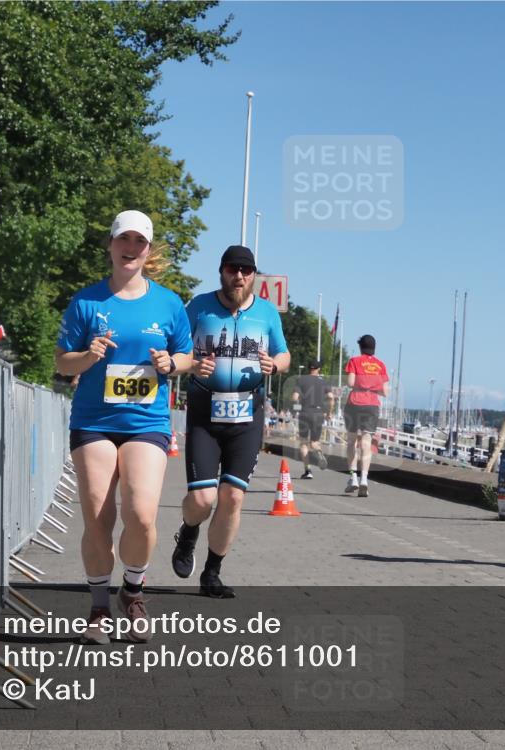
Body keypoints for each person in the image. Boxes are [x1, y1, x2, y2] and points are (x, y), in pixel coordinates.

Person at [55, 210, 193, 643]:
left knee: (141, 513)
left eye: (139, 242)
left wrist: (172, 363)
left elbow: (186, 357)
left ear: (148, 250)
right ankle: (98, 607)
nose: (130, 248)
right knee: (97, 514)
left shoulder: (168, 303)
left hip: (146, 420)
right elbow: (61, 362)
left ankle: (132, 592)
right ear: (111, 246)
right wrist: (88, 356)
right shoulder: (87, 302)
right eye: (123, 240)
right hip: (94, 420)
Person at [171, 245, 290, 597]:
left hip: (247, 414)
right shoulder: (199, 306)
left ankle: (212, 572)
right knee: (203, 499)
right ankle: (188, 533)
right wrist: (192, 364)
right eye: (231, 269)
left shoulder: (267, 313)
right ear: (221, 271)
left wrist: (276, 365)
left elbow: (283, 353)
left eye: (246, 270)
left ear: (254, 275)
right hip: (205, 413)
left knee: (233, 497)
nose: (238, 276)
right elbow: (178, 349)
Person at [343, 334, 389, 498]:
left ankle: (353, 477)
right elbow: (385, 391)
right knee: (367, 442)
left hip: (355, 402)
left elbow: (350, 383)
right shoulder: (380, 365)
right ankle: (364, 479)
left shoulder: (355, 361)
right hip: (372, 404)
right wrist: (372, 387)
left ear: (361, 347)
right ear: (374, 348)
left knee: (352, 440)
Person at [292, 359, 329, 479]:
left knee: (303, 442)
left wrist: (296, 407)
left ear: (309, 368)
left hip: (305, 412)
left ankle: (308, 471)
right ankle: (318, 452)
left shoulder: (301, 379)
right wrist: (329, 412)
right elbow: (331, 397)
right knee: (314, 442)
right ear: (318, 369)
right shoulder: (323, 382)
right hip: (318, 413)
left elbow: (295, 397)